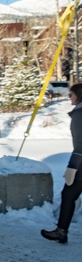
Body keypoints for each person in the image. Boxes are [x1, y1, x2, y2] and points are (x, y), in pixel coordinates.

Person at [42, 83, 82, 244]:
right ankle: (61, 231)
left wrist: (72, 167)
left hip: (81, 165)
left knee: (68, 195)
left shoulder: (79, 114)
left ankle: (61, 231)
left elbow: (80, 144)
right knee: (69, 195)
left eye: (71, 94)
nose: (69, 97)